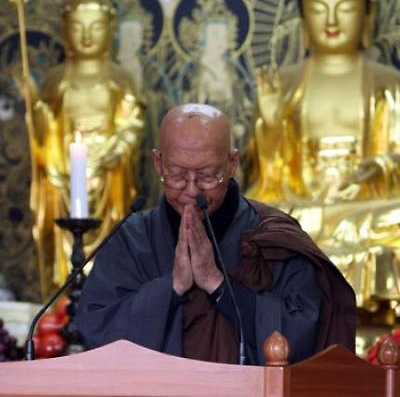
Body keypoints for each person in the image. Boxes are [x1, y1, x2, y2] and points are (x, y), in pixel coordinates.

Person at [76, 103, 355, 365]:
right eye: (177, 175)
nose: (192, 190)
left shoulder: (273, 237)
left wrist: (217, 284)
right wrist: (172, 287)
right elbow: (97, 330)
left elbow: (305, 332)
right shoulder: (131, 240)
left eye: (208, 175)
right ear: (158, 163)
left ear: (232, 163)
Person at [245, 0, 400, 319]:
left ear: (368, 15)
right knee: (254, 219)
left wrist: (377, 169)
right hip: (300, 206)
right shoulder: (283, 84)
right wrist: (270, 126)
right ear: (302, 18)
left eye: (345, 8)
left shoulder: (389, 83)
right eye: (318, 9)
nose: (331, 20)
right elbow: (264, 181)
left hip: (364, 206)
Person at [19, 0, 145, 300]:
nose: (87, 35)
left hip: (108, 176)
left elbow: (132, 125)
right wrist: (35, 105)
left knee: (113, 232)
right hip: (64, 173)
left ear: (110, 30)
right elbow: (45, 133)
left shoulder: (120, 79)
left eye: (96, 26)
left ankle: (107, 296)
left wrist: (114, 151)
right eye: (78, 26)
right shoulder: (56, 80)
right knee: (56, 207)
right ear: (65, 31)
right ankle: (62, 296)